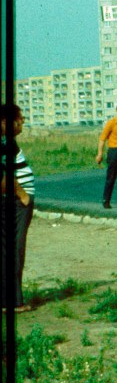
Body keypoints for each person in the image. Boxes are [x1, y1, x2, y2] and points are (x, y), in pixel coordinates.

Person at [1, 103, 35, 313]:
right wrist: (23, 195)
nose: (22, 121)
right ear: (6, 122)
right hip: (15, 202)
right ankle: (13, 302)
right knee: (14, 249)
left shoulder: (7, 141)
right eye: (19, 118)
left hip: (13, 201)